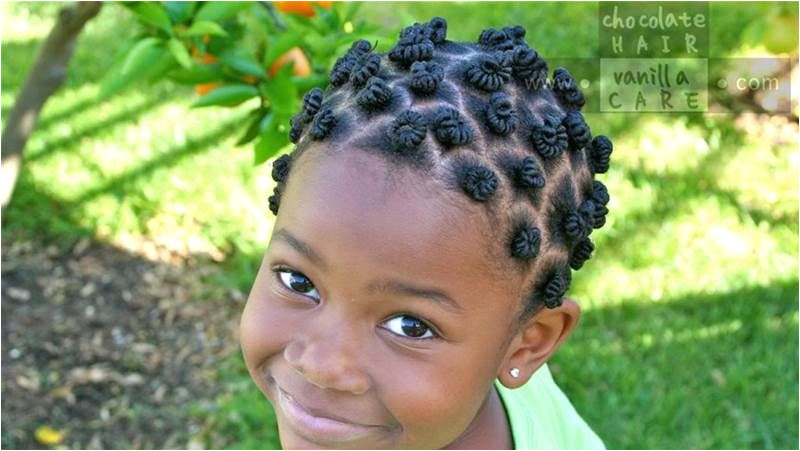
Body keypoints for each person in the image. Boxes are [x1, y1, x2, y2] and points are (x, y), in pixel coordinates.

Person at [239, 17, 612, 450]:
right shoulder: (491, 337)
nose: (321, 363)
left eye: (410, 326)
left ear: (527, 343)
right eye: (297, 281)